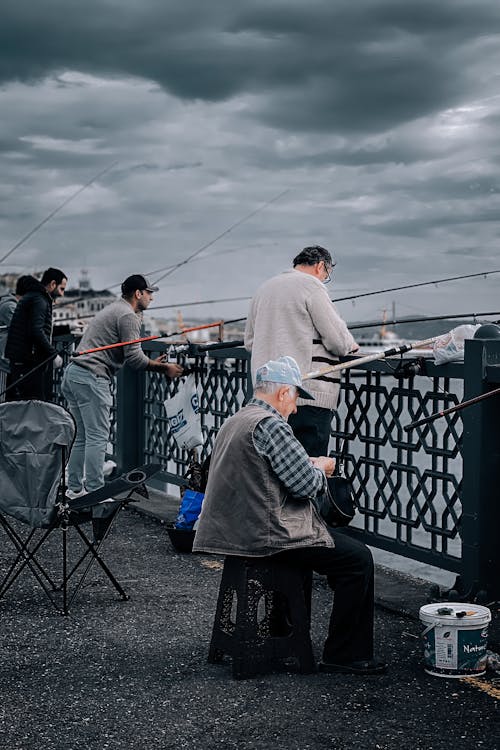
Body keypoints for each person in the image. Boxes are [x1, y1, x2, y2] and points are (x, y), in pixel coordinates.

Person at [193, 355, 387, 675]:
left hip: (234, 531)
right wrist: (321, 468)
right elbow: (306, 487)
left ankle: (284, 633)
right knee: (358, 559)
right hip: (266, 536)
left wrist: (304, 464)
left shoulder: (236, 420)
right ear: (284, 393)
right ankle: (345, 654)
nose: (296, 408)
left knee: (323, 555)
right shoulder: (272, 425)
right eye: (296, 397)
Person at [61, 274, 183, 501]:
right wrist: (164, 368)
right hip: (92, 378)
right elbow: (135, 360)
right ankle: (96, 492)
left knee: (81, 436)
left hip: (74, 374)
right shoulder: (129, 315)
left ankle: (75, 489)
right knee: (97, 437)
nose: (151, 298)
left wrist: (157, 362)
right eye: (149, 293)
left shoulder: (114, 308)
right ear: (138, 293)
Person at [244, 245, 358, 456]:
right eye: (327, 274)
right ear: (321, 266)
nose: (324, 279)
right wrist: (349, 343)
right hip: (306, 396)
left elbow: (250, 342)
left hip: (266, 398)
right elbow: (338, 341)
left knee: (272, 467)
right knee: (307, 469)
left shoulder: (264, 289)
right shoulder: (312, 287)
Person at [5, 268, 67, 401]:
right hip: (27, 362)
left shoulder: (35, 297)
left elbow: (38, 328)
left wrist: (69, 327)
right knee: (32, 403)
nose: (62, 294)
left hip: (23, 361)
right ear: (52, 284)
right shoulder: (39, 300)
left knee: (27, 403)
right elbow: (37, 330)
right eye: (61, 289)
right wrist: (53, 354)